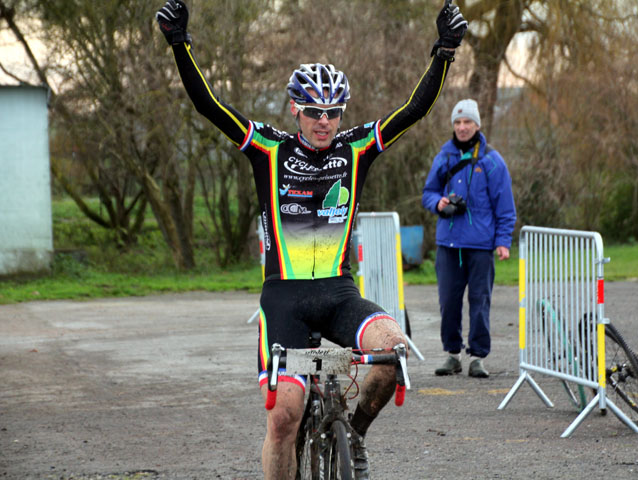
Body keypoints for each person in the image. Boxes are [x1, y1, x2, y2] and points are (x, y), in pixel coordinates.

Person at [155, 1, 467, 478]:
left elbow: (414, 110)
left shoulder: (356, 148)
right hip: (285, 300)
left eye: (334, 112)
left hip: (339, 294)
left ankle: (356, 435)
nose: (325, 121)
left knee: (393, 353)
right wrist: (181, 45)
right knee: (283, 419)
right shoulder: (268, 147)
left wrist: (443, 52)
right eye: (316, 111)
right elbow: (209, 105)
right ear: (297, 109)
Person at [422, 98, 516, 379]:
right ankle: (452, 355)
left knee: (480, 302)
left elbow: (505, 206)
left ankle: (477, 357)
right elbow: (427, 192)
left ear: (478, 125)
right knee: (448, 302)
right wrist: (438, 203)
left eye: (467, 122)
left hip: (481, 246)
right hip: (448, 245)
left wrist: (503, 241)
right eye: (458, 122)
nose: (462, 127)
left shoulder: (492, 161)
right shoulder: (444, 157)